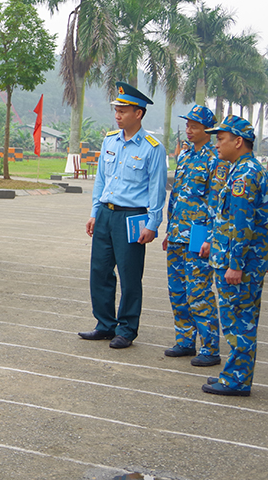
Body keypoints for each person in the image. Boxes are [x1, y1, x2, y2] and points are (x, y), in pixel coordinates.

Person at [79, 82, 167, 349]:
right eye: (116, 109)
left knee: (130, 275)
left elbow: (157, 190)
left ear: (138, 113)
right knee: (100, 271)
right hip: (106, 213)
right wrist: (95, 212)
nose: (117, 115)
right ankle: (104, 324)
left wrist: (152, 224)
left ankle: (127, 329)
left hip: (132, 218)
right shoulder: (109, 140)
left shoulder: (152, 147)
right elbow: (101, 181)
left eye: (123, 110)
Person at [201, 116, 268, 397]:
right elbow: (227, 220)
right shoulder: (238, 169)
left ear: (238, 142)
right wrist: (211, 242)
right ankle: (234, 375)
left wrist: (235, 265)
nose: (216, 145)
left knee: (238, 321)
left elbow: (243, 225)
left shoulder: (245, 175)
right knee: (238, 320)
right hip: (234, 259)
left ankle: (237, 380)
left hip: (240, 264)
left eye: (220, 139)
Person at [161, 105, 225, 366]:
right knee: (177, 289)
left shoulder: (216, 159)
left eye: (194, 126)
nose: (188, 130)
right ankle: (185, 340)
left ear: (207, 130)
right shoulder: (185, 156)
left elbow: (217, 202)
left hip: (199, 233)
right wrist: (168, 230)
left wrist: (210, 237)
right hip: (178, 232)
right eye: (187, 125)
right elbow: (175, 196)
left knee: (198, 291)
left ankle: (210, 348)